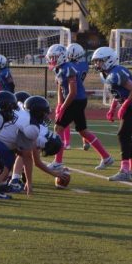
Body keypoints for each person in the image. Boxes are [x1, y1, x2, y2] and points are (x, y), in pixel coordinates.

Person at [50, 43, 114, 172]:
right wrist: (59, 104)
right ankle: (106, 157)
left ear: (62, 56)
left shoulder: (69, 68)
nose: (52, 60)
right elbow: (60, 89)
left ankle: (58, 162)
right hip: (74, 100)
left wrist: (62, 107)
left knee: (58, 128)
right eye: (51, 57)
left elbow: (72, 92)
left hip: (76, 100)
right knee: (83, 131)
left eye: (54, 57)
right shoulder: (59, 68)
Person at [91, 47, 132, 182]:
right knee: (126, 136)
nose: (97, 64)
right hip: (130, 104)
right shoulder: (105, 74)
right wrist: (112, 108)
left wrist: (124, 106)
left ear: (109, 60)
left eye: (100, 61)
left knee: (123, 135)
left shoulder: (117, 72)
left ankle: (125, 171)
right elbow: (117, 93)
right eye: (96, 61)